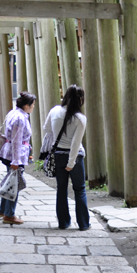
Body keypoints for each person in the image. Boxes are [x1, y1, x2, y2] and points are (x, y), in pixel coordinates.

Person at [43, 85, 91, 231]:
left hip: (58, 155)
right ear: (80, 100)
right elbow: (75, 144)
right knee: (80, 189)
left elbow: (46, 129)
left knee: (61, 189)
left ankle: (63, 222)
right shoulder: (80, 118)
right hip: (75, 158)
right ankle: (83, 224)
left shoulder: (55, 110)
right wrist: (71, 162)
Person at [0, 92, 36, 225]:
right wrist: (16, 161)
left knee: (10, 180)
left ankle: (2, 210)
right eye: (32, 104)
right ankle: (9, 214)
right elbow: (17, 140)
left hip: (9, 153)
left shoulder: (14, 113)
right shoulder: (20, 118)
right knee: (15, 184)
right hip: (14, 155)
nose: (33, 107)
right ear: (26, 106)